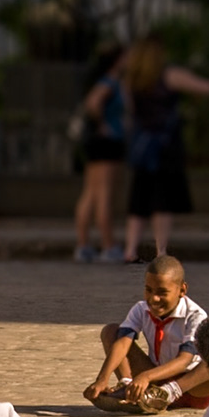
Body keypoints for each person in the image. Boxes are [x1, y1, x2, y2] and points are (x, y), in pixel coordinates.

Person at [120, 37, 209, 264]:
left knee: (139, 198)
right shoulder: (169, 75)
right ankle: (160, 251)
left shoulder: (132, 81)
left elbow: (131, 110)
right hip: (166, 145)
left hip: (142, 144)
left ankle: (130, 248)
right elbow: (207, 88)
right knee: (162, 201)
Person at [84, 255, 209, 415]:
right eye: (148, 290)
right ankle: (130, 389)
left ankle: (167, 394)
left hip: (192, 387)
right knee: (111, 331)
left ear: (182, 290)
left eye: (162, 292)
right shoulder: (141, 309)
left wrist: (146, 376)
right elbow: (123, 343)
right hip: (156, 379)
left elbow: (184, 360)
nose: (153, 298)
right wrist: (102, 378)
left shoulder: (195, 316)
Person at [73, 43, 127, 264]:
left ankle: (84, 244)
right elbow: (93, 103)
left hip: (98, 143)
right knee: (104, 194)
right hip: (107, 142)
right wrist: (103, 124)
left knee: (91, 193)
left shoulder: (107, 81)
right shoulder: (110, 82)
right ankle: (108, 244)